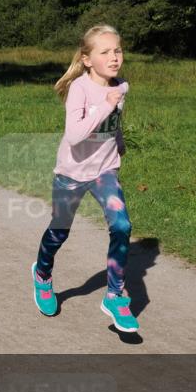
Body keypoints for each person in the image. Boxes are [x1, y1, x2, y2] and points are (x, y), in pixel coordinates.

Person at [31, 24, 138, 332]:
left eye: (117, 50)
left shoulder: (120, 85)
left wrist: (119, 144)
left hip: (105, 171)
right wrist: (105, 106)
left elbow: (114, 123)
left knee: (122, 225)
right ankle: (42, 274)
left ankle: (115, 296)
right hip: (72, 174)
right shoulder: (80, 88)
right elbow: (75, 135)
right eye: (105, 52)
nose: (114, 57)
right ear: (88, 59)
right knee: (59, 231)